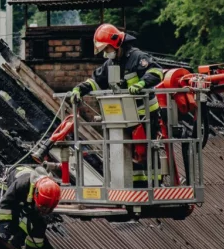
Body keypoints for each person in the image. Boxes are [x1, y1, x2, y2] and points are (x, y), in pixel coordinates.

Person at [67, 23, 166, 182]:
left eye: (107, 49)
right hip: (126, 117)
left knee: (146, 152)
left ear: (116, 44)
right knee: (128, 153)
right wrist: (79, 89)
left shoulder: (137, 57)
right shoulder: (111, 64)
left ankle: (154, 185)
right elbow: (95, 81)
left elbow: (156, 72)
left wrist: (142, 83)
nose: (106, 53)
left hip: (146, 114)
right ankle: (135, 187)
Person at [0, 165, 61, 249]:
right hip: (10, 185)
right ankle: (9, 236)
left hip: (29, 197)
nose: (44, 211)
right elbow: (6, 206)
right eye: (43, 207)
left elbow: (36, 222)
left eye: (48, 209)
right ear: (36, 195)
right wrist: (4, 230)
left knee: (38, 224)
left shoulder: (51, 193)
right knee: (12, 216)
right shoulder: (21, 185)